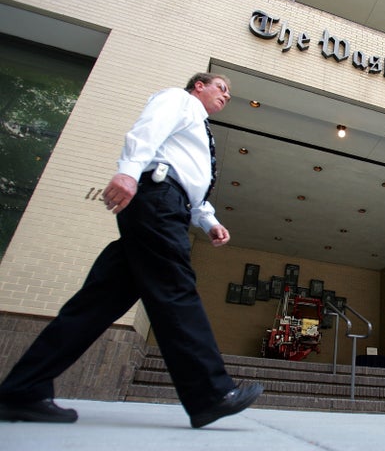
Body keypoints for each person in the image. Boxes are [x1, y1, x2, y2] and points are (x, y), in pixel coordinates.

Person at [0, 72, 263, 428]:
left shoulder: (199, 128)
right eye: (222, 87)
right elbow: (149, 130)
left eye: (229, 93)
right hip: (157, 199)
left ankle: (22, 389)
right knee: (174, 287)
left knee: (94, 305)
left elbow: (190, 179)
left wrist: (208, 221)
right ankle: (210, 393)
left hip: (169, 203)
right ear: (199, 85)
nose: (227, 96)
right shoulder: (179, 100)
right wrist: (127, 171)